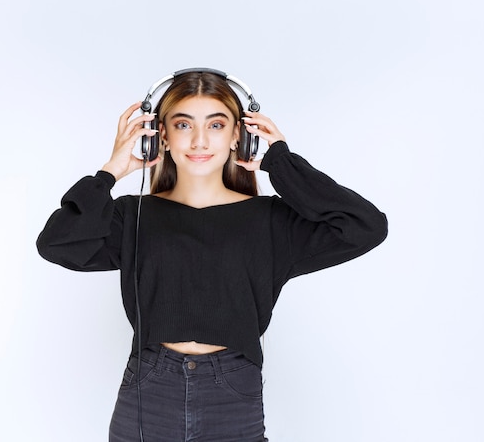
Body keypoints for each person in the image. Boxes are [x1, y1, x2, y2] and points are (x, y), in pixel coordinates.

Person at [36, 70, 388, 442]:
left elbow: (365, 226)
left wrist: (282, 163)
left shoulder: (271, 221)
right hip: (148, 393)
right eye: (183, 124)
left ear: (240, 135)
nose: (200, 140)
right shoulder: (132, 215)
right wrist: (111, 171)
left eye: (216, 125)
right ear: (162, 137)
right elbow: (56, 244)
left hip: (232, 394)